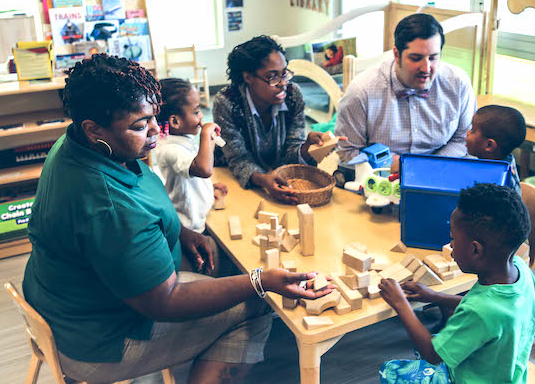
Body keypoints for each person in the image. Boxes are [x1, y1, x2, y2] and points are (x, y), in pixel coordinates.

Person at [23, 54, 331, 384]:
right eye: (140, 126)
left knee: (224, 268)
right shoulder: (108, 204)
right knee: (257, 305)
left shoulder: (76, 144)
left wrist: (180, 231)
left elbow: (135, 207)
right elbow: (164, 302)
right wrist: (261, 281)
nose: (157, 130)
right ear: (93, 129)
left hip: (64, 307)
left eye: (154, 117)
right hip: (99, 342)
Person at [378, 184, 535, 384]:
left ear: (475, 250)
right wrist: (435, 296)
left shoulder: (481, 312)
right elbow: (488, 311)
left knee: (390, 371)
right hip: (507, 374)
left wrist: (400, 303)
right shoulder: (522, 272)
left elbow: (433, 354)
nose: (450, 244)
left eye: (453, 238)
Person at [335, 13, 476, 167]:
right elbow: (346, 151)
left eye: (433, 57)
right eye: (416, 58)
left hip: (441, 168)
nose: (426, 68)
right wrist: (390, 164)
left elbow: (463, 138)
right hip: (380, 177)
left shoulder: (458, 83)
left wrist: (431, 166)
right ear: (396, 54)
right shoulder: (362, 91)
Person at [212, 35, 332, 204]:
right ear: (248, 77)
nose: (283, 83)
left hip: (278, 175)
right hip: (230, 179)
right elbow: (239, 159)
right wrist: (264, 180)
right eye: (273, 77)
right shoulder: (227, 103)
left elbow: (291, 151)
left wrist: (306, 147)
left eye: (284, 73)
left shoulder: (292, 95)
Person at [157, 78, 227, 234]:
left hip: (202, 214)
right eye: (196, 111)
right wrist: (205, 135)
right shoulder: (170, 149)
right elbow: (203, 169)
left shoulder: (182, 139)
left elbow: (193, 174)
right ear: (175, 121)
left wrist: (208, 188)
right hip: (191, 225)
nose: (202, 115)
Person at [465, 104, 527, 195]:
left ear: (489, 145)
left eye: (473, 131)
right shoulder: (505, 160)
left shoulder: (491, 185)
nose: (467, 133)